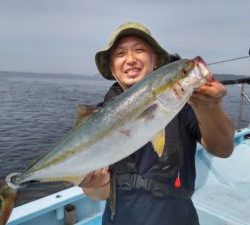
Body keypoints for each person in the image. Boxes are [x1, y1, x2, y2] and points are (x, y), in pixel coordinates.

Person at [76, 22, 234, 225]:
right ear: (111, 68)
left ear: (155, 60)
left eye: (139, 50)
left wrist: (209, 106)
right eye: (120, 54)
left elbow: (223, 149)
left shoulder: (184, 105)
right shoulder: (96, 120)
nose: (130, 59)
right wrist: (95, 184)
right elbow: (99, 194)